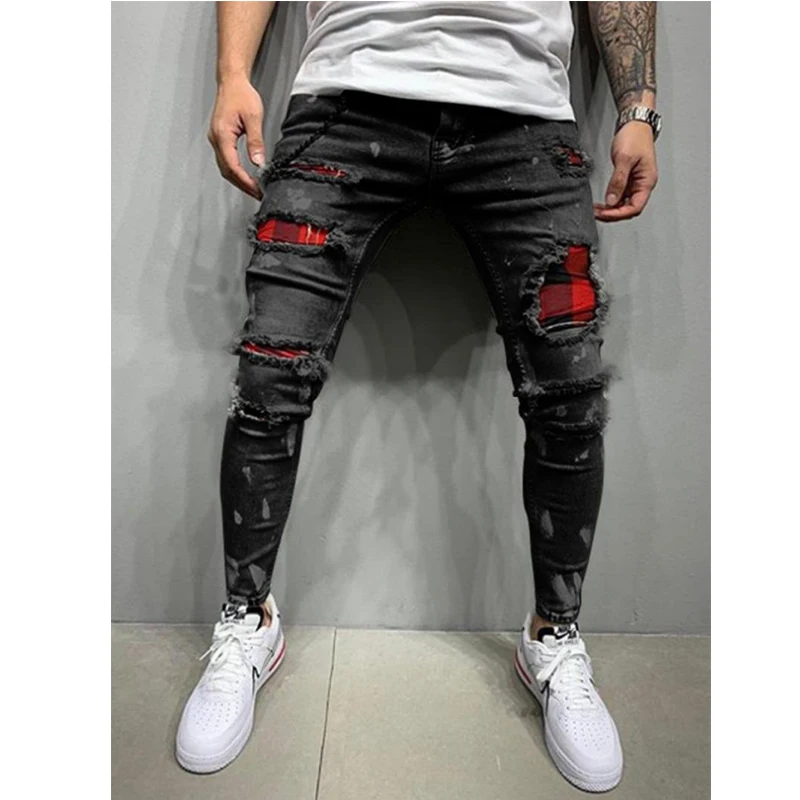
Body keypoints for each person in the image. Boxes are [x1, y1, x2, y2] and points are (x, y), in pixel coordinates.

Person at [176, 1, 659, 791]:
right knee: (270, 373)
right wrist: (234, 74)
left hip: (525, 116)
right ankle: (246, 621)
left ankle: (554, 635)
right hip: (345, 99)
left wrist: (639, 108)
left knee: (570, 393)